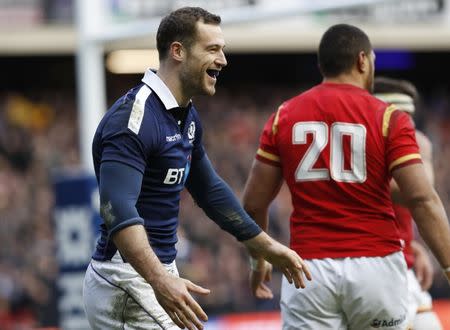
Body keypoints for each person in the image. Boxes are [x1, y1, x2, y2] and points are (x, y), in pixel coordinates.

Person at [82, 7, 311, 330]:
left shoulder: (185, 116)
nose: (223, 60)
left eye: (223, 50)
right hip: (127, 280)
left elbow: (209, 190)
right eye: (212, 49)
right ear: (178, 51)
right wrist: (160, 280)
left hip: (153, 273)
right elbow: (116, 209)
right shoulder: (133, 120)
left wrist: (264, 245)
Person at [242, 23, 450, 329]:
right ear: (363, 60)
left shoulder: (283, 116)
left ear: (321, 65)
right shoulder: (389, 118)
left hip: (308, 271)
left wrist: (257, 260)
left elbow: (253, 204)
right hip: (376, 268)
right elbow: (421, 198)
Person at [374, 76, 443, 330]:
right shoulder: (359, 151)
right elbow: (417, 194)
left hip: (400, 262)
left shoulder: (413, 144)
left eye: (411, 117)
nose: (410, 125)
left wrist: (410, 244)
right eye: (402, 116)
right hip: (369, 268)